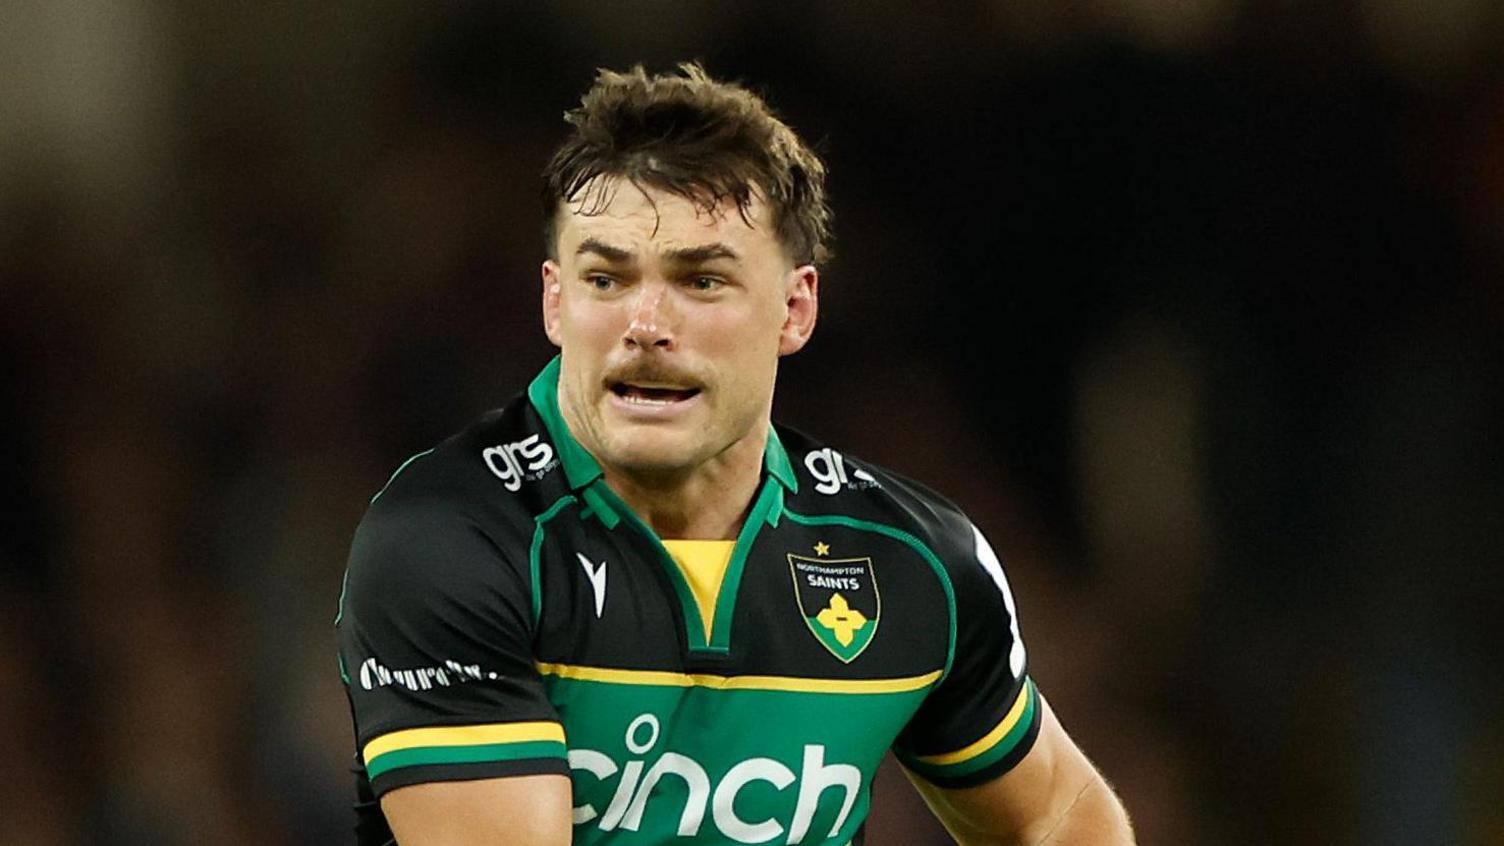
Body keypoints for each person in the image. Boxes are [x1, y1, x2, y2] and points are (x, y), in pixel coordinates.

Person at [336, 62, 1134, 845]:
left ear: (795, 309)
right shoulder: (452, 541)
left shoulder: (912, 562)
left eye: (702, 281)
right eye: (606, 279)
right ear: (555, 301)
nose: (646, 324)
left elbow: (1059, 816)